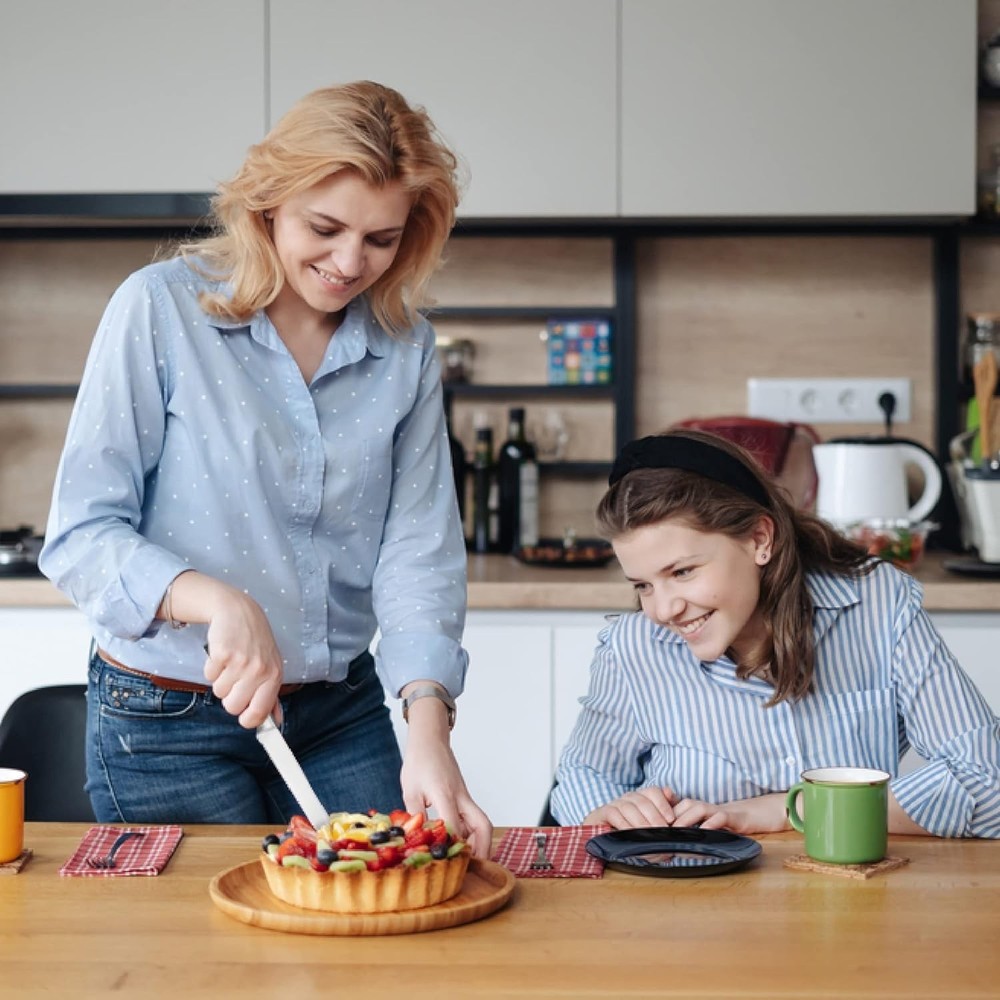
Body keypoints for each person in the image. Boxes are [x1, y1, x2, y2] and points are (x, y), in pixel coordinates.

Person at [39, 81, 492, 855]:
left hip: (340, 715)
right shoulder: (162, 310)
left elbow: (418, 552)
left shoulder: (405, 348)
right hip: (166, 720)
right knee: (209, 966)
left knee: (374, 944)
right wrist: (217, 602)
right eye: (325, 227)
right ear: (268, 202)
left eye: (381, 239)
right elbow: (81, 535)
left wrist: (427, 726)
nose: (350, 263)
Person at [549, 428, 1000, 838]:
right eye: (643, 585)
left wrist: (791, 809)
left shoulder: (877, 606)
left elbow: (988, 779)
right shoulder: (635, 647)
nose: (662, 610)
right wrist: (610, 810)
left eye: (683, 571)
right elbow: (579, 779)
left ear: (760, 539)